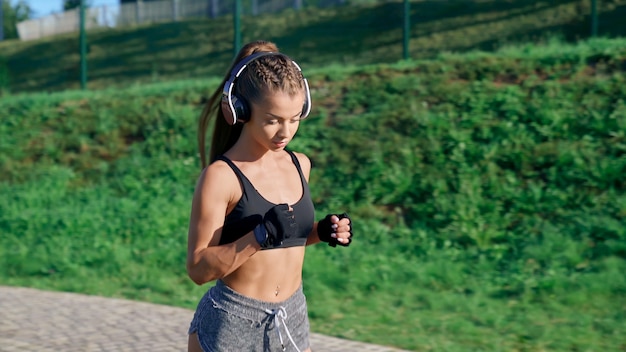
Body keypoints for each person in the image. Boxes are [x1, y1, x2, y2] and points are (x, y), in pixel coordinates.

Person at [186, 40, 354, 352]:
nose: (285, 132)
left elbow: (287, 239)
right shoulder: (221, 177)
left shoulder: (299, 164)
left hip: (292, 318)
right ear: (240, 110)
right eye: (273, 119)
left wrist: (322, 231)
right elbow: (198, 268)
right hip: (233, 322)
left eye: (294, 119)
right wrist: (258, 236)